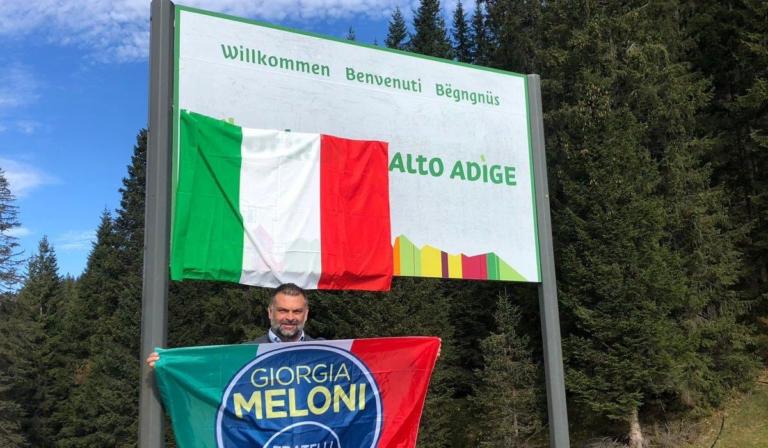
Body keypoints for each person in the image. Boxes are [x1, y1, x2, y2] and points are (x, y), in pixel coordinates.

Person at [145, 282, 317, 368]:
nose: (290, 317)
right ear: (270, 312)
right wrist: (169, 362)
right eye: (283, 311)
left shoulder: (327, 351)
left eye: (297, 311)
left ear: (306, 314)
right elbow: (208, 367)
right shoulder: (245, 353)